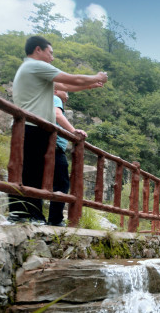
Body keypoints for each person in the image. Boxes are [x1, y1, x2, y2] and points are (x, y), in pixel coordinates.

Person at [8, 35, 107, 224]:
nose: (52, 57)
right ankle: (20, 214)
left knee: (33, 173)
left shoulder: (34, 71)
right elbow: (70, 78)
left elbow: (64, 85)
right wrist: (96, 76)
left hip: (34, 126)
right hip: (31, 126)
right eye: (50, 53)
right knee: (29, 172)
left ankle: (31, 215)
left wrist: (89, 85)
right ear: (38, 50)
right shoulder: (35, 66)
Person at [48, 90, 87, 227]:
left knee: (47, 181)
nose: (68, 96)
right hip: (54, 146)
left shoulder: (48, 99)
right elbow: (57, 115)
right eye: (66, 91)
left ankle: (38, 216)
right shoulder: (55, 98)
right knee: (62, 183)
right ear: (57, 90)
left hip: (51, 145)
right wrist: (73, 131)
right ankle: (55, 219)